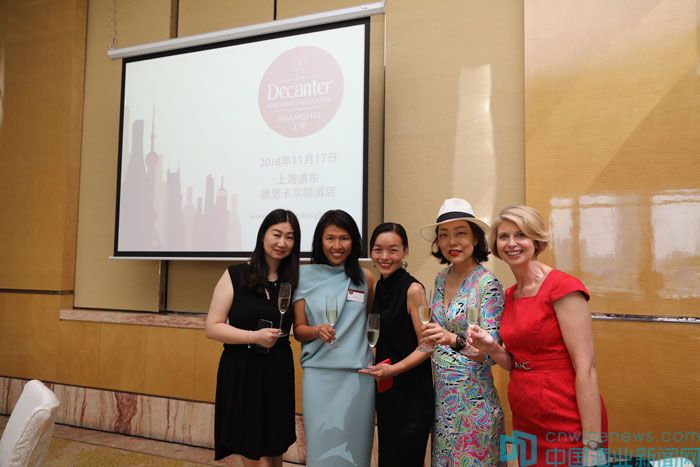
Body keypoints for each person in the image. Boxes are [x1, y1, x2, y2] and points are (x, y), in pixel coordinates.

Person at [468, 205, 608, 466]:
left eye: (520, 235)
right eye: (504, 236)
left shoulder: (563, 287)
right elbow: (517, 363)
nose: (512, 243)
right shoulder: (510, 294)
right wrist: (491, 347)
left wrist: (592, 447)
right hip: (526, 416)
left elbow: (586, 368)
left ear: (536, 240)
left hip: (565, 415)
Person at [205, 209, 300, 467]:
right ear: (263, 235)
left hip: (278, 370)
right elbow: (212, 327)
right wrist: (253, 336)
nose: (282, 243)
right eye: (276, 234)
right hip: (242, 369)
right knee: (250, 447)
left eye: (290, 237)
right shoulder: (236, 275)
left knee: (276, 445)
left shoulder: (294, 281)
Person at [420, 198, 506, 466]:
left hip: (474, 403)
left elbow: (491, 355)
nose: (451, 242)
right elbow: (432, 336)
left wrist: (452, 340)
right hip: (444, 401)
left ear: (476, 238)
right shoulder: (440, 278)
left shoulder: (487, 284)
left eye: (460, 233)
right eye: (444, 235)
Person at [292, 210, 376, 467]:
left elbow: (368, 322)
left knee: (356, 451)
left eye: (344, 238)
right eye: (330, 238)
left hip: (358, 377)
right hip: (319, 376)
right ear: (320, 240)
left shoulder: (364, 277)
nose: (337, 246)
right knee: (321, 451)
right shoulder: (302, 276)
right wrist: (316, 330)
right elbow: (299, 330)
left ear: (354, 242)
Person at [359, 222, 434, 467]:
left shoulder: (413, 289)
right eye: (378, 249)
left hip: (413, 393)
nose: (384, 257)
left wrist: (394, 370)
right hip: (388, 389)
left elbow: (428, 345)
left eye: (393, 250)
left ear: (405, 251)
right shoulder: (379, 286)